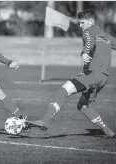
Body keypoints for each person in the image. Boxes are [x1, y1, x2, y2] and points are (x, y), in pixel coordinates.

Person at [27, 9, 116, 138]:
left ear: (90, 22)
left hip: (92, 75)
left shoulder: (88, 31)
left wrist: (85, 53)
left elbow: (89, 43)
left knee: (63, 91)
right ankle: (108, 131)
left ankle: (44, 120)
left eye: (82, 23)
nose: (80, 26)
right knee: (83, 105)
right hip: (103, 79)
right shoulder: (107, 37)